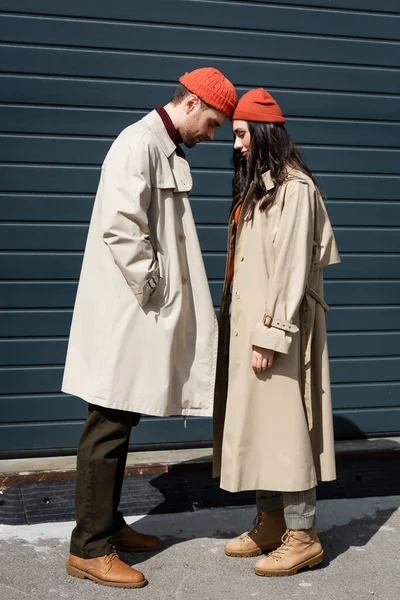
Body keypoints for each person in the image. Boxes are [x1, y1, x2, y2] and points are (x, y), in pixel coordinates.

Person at [62, 68, 237, 589]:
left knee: (121, 418)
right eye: (212, 122)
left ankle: (108, 525)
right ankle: (88, 548)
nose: (212, 134)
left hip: (137, 314)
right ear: (191, 103)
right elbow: (122, 226)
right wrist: (155, 286)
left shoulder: (161, 147)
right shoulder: (137, 143)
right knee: (107, 423)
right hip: (127, 314)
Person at [213, 88, 340, 577]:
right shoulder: (262, 187)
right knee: (260, 424)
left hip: (279, 332)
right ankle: (270, 522)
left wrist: (271, 334)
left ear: (264, 133)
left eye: (242, 134)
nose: (237, 144)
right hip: (253, 329)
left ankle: (303, 534)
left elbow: (290, 269)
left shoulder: (294, 188)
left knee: (287, 426)